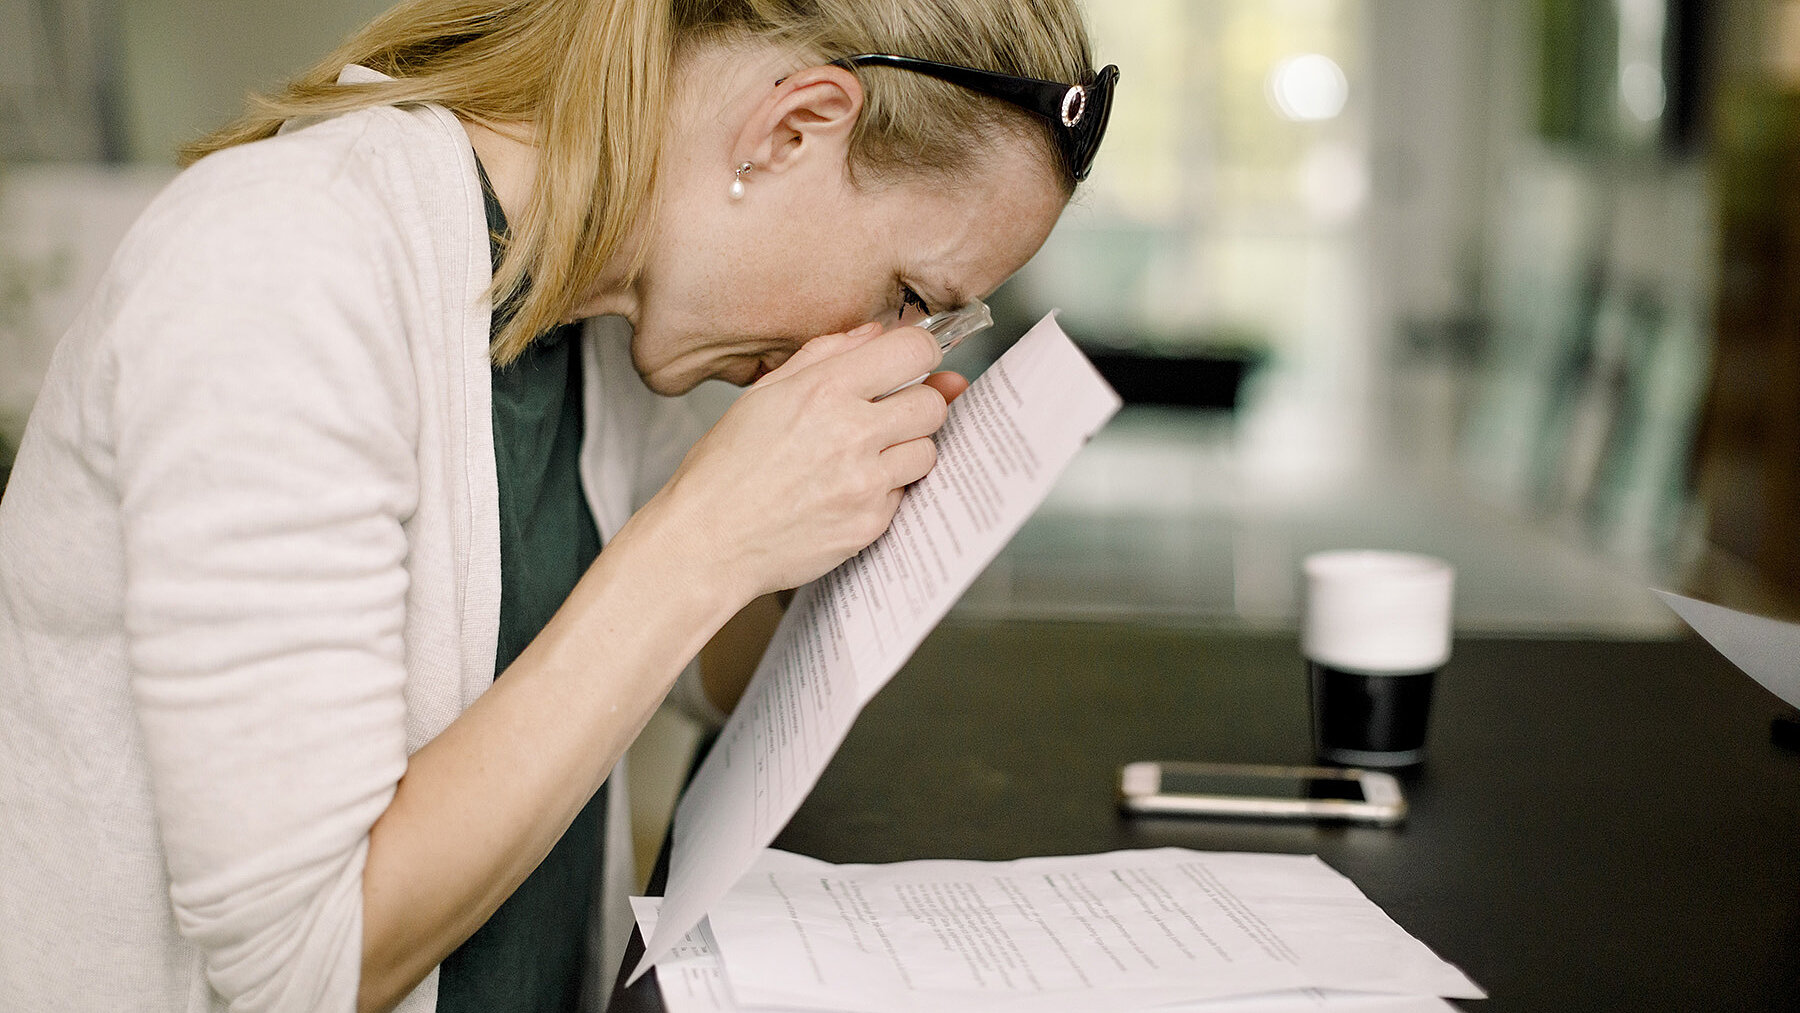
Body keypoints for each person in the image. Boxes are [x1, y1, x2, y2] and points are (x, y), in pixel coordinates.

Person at [0, 0, 1114, 1010]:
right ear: (792, 128)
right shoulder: (283, 268)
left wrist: (842, 533)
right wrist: (711, 533)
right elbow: (308, 963)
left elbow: (700, 669)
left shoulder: (615, 305)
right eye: (909, 297)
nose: (890, 347)